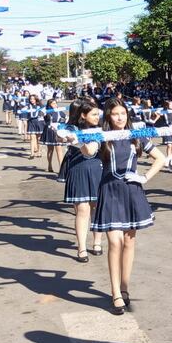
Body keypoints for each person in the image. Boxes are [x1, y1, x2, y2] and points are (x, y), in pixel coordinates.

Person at [78, 98, 165, 315]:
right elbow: (88, 151)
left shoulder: (135, 136)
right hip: (109, 191)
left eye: (123, 114)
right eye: (116, 114)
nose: (120, 117)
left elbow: (160, 158)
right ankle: (115, 292)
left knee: (129, 241)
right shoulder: (103, 136)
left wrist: (144, 177)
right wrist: (76, 141)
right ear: (108, 116)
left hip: (132, 192)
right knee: (114, 242)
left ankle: (125, 288)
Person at [61, 101, 105, 263]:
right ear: (83, 115)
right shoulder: (71, 129)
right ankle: (82, 248)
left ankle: (97, 242)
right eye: (93, 114)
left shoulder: (100, 130)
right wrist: (61, 134)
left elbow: (91, 151)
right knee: (82, 210)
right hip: (78, 169)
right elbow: (62, 136)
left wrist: (78, 141)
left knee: (96, 207)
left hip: (96, 168)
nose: (97, 117)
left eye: (98, 114)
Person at [40, 99, 67, 173]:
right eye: (53, 103)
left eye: (55, 103)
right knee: (50, 150)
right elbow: (41, 114)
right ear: (49, 104)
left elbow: (65, 118)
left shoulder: (59, 111)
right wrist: (43, 110)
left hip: (58, 131)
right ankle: (49, 165)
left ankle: (61, 168)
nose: (55, 104)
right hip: (50, 130)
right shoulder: (47, 111)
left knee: (59, 149)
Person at [25, 95, 45, 160]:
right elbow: (23, 109)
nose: (32, 100)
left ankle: (39, 151)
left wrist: (42, 113)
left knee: (39, 138)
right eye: (31, 99)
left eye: (33, 99)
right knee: (32, 138)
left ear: (36, 99)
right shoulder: (28, 106)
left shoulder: (41, 106)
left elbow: (44, 113)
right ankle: (32, 153)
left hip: (39, 123)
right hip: (31, 122)